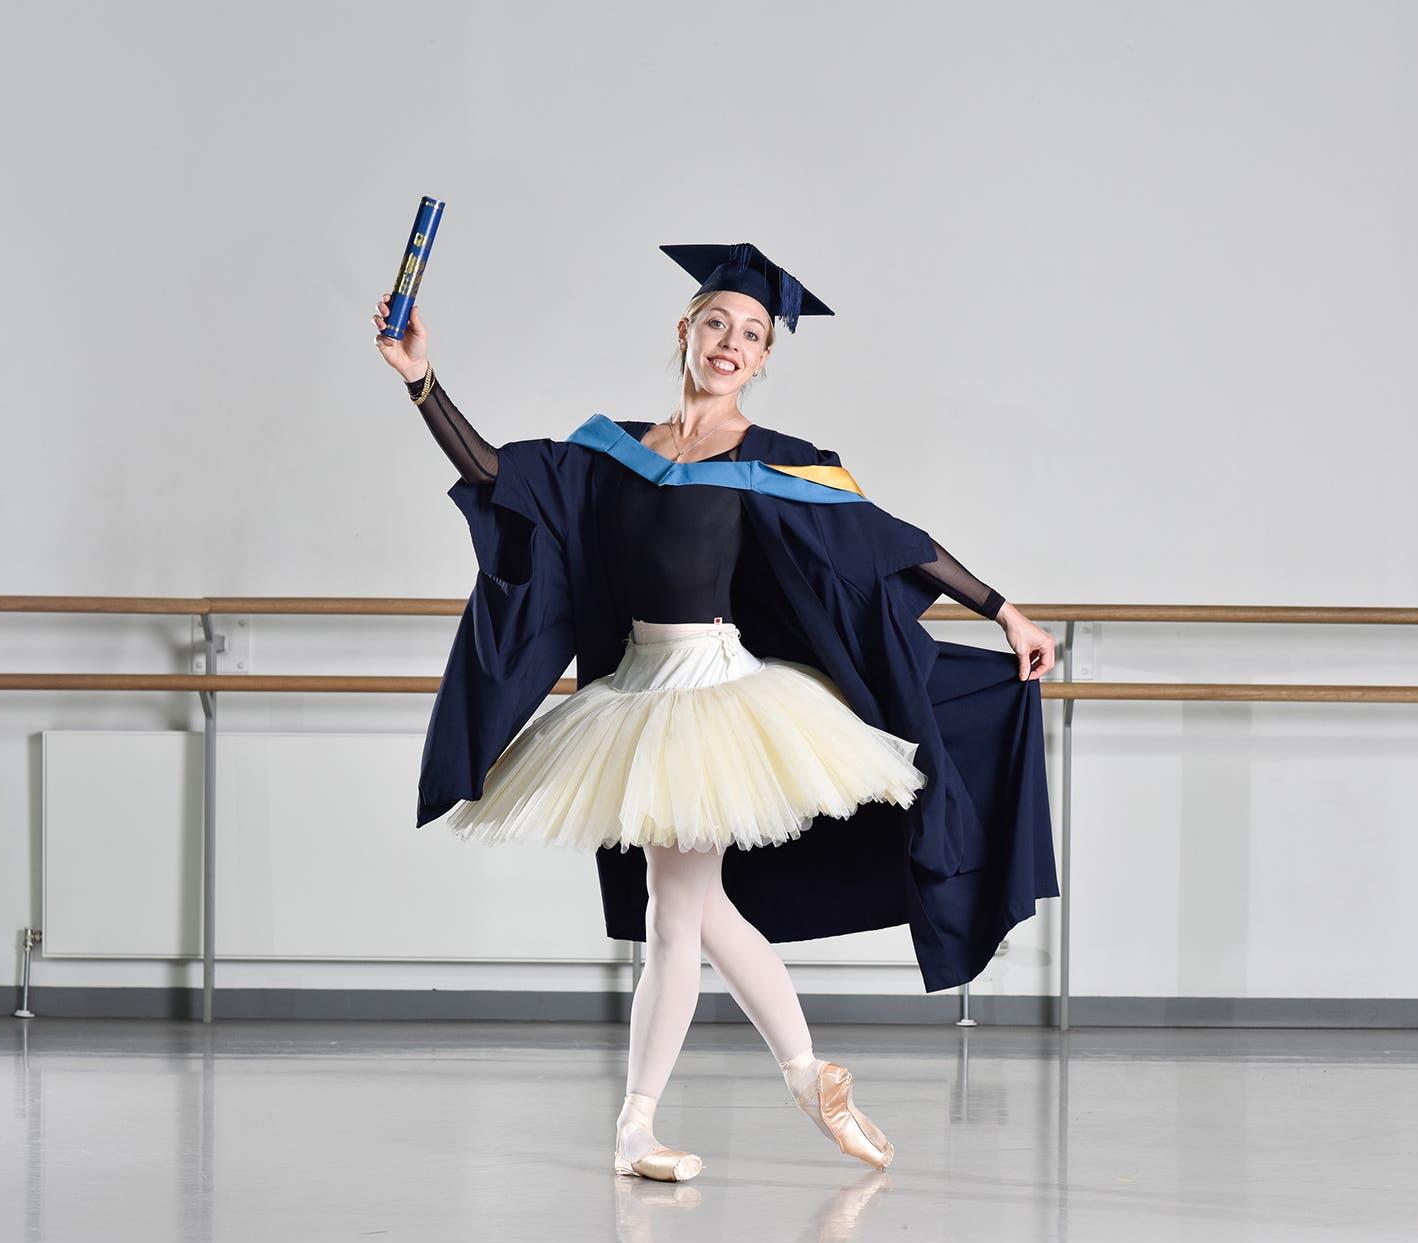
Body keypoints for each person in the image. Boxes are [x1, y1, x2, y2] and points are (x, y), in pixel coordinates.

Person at [372, 243, 1058, 1183]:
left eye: (751, 334)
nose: (731, 343)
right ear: (684, 330)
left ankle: (657, 1119)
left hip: (718, 700)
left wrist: (1002, 607)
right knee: (690, 908)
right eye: (716, 324)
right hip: (637, 692)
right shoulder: (607, 452)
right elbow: (495, 472)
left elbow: (893, 542)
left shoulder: (775, 465)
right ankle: (793, 1076)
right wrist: (422, 382)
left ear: (766, 355)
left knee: (676, 911)